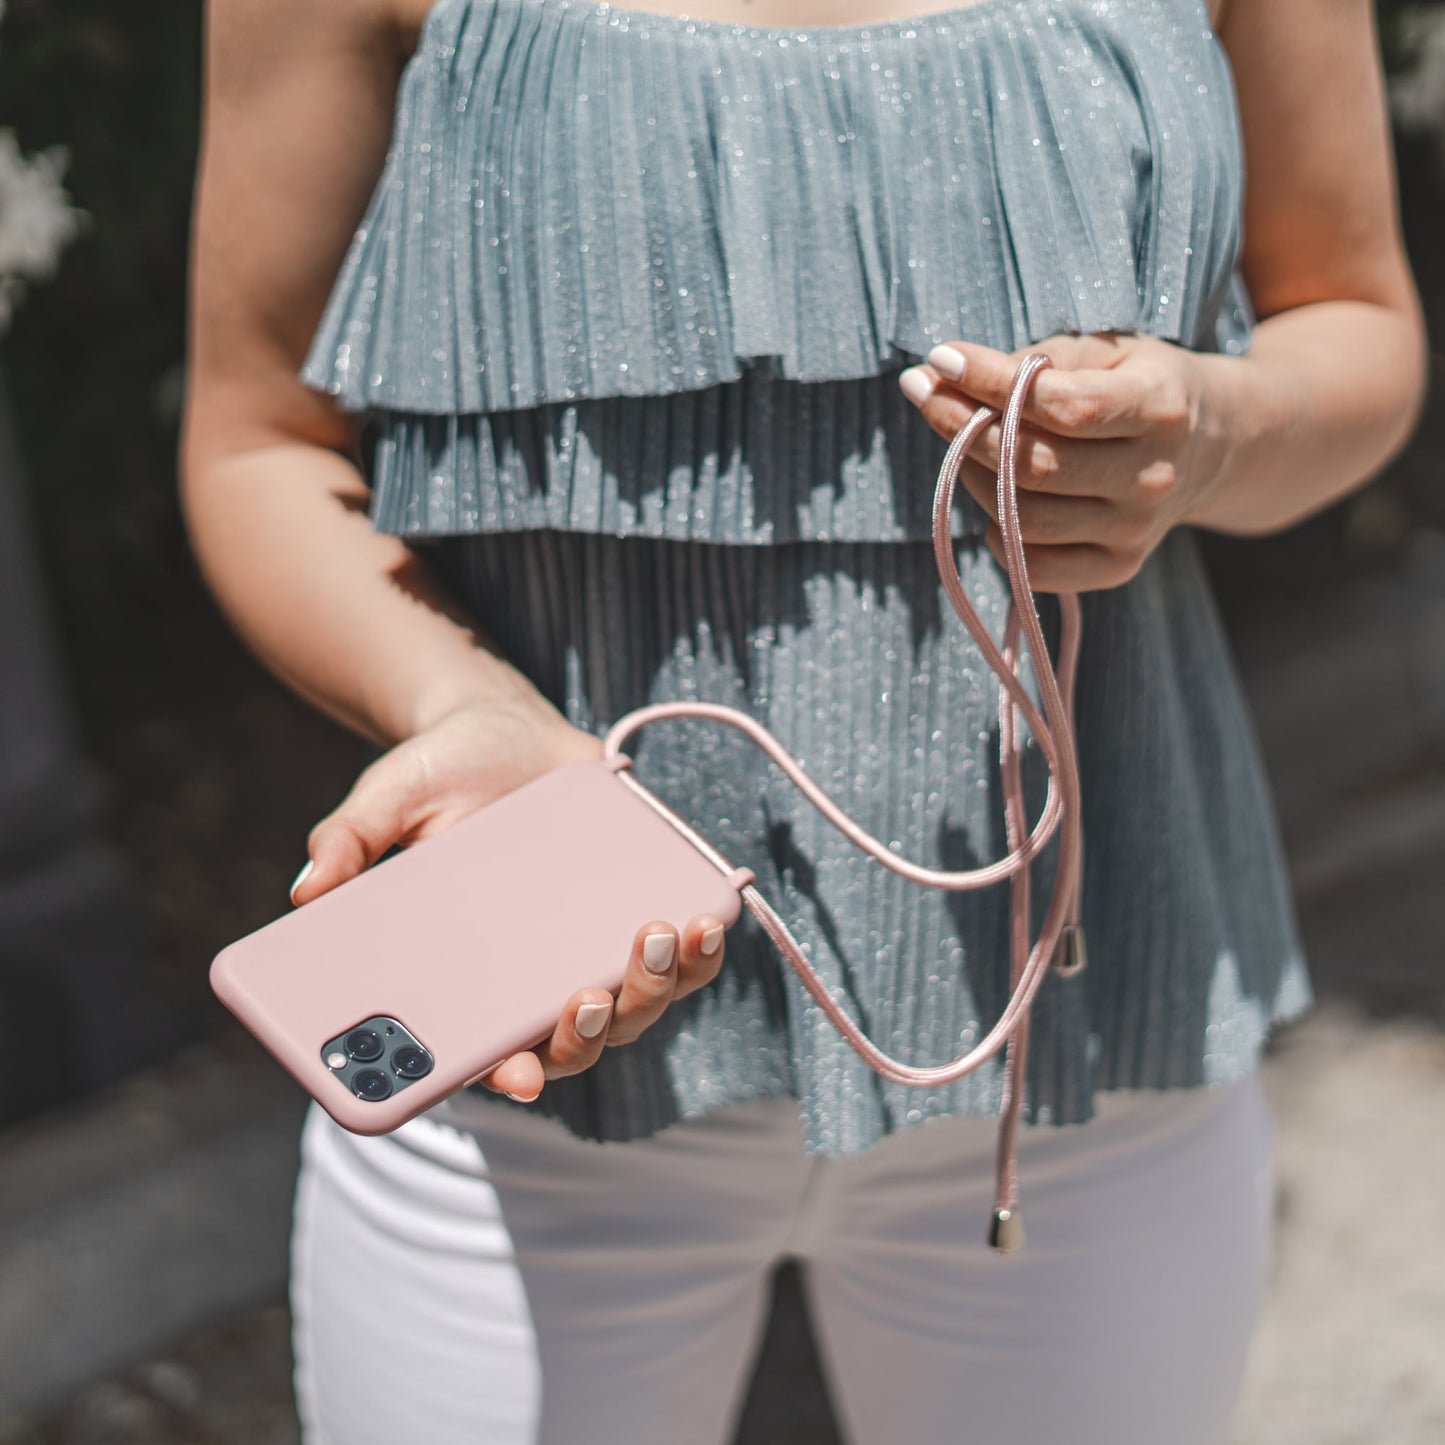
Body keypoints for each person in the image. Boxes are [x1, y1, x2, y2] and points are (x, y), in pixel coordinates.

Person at [178, 0, 1425, 1438]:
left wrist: (1212, 437)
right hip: (525, 1080)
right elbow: (256, 438)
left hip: (1083, 1057)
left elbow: (1358, 323)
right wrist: (458, 698)